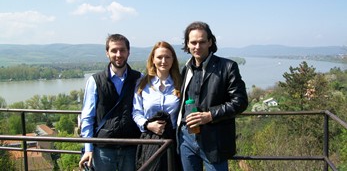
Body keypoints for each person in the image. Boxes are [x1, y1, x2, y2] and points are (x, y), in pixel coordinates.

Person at [177, 21, 249, 171]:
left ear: (210, 42)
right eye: (193, 42)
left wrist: (210, 115)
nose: (197, 46)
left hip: (214, 141)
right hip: (187, 138)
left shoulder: (228, 67)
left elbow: (240, 102)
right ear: (187, 44)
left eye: (202, 42)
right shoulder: (186, 69)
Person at [78, 34, 142, 171]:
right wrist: (88, 149)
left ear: (128, 52)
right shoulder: (95, 81)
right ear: (107, 53)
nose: (118, 54)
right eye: (114, 50)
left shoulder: (139, 79)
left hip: (132, 146)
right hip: (103, 149)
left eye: (122, 50)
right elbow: (87, 118)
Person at [133, 41, 182, 171]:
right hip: (149, 140)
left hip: (174, 141)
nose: (163, 61)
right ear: (153, 60)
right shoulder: (142, 84)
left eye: (167, 57)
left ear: (173, 60)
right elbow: (136, 112)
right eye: (159, 57)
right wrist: (148, 125)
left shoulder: (181, 83)